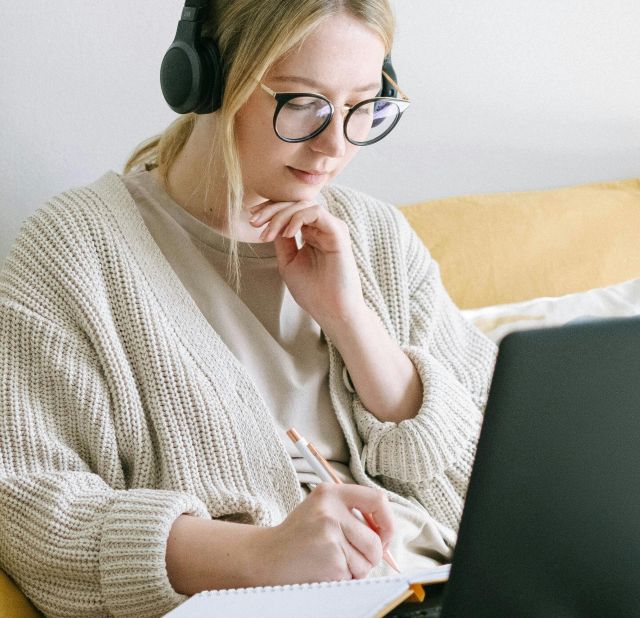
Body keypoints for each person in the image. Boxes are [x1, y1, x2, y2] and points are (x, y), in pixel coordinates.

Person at [0, 1, 498, 616]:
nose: (335, 146)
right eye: (302, 103)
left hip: (451, 589)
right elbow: (26, 502)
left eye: (362, 106)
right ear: (206, 79)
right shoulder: (76, 251)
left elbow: (505, 471)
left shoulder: (376, 235)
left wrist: (353, 321)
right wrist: (261, 556)